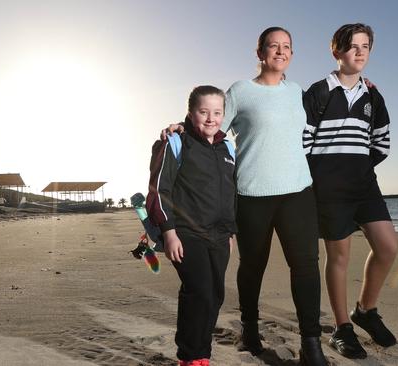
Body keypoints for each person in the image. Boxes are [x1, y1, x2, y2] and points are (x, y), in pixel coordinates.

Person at [163, 27, 328, 366]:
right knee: (253, 266)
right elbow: (211, 123)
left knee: (307, 267)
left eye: (286, 47)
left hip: (298, 191)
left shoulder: (297, 91)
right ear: (260, 52)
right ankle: (249, 329)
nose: (280, 52)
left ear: (292, 55)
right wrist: (180, 127)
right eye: (273, 46)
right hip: (252, 193)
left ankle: (312, 344)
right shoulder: (240, 91)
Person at [302, 23, 398, 359]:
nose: (360, 52)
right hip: (329, 188)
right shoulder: (318, 92)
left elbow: (381, 142)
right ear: (337, 51)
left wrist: (358, 166)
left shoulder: (373, 95)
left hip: (364, 185)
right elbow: (302, 142)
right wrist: (325, 173)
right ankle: (342, 328)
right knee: (339, 256)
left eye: (366, 46)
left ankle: (365, 311)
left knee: (387, 247)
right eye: (353, 46)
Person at [147, 85, 237, 366]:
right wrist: (169, 233)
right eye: (203, 111)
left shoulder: (227, 148)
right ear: (190, 112)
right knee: (199, 291)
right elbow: (159, 189)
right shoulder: (176, 142)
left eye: (217, 112)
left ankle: (202, 354)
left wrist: (231, 231)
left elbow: (230, 192)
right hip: (186, 233)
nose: (211, 118)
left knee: (215, 296)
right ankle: (190, 357)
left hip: (220, 236)